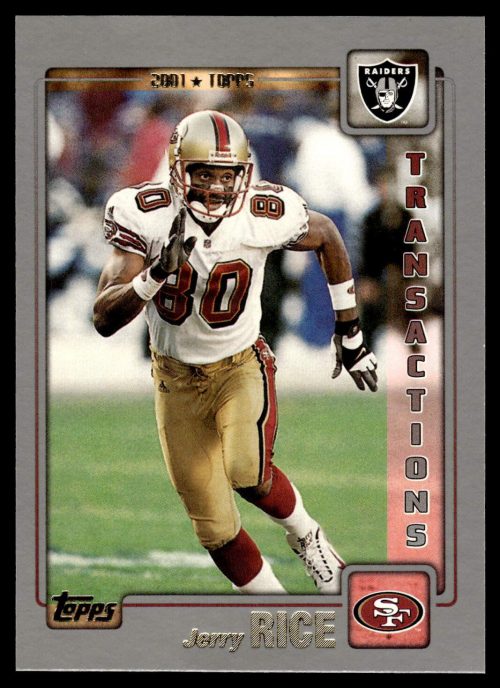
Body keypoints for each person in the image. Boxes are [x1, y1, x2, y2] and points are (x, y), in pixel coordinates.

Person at [93, 110, 378, 594]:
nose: (217, 187)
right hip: (174, 377)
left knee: (247, 470)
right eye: (204, 173)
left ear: (243, 173)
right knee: (214, 527)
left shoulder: (261, 211)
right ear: (178, 170)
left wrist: (349, 333)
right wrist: (154, 275)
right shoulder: (144, 212)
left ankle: (307, 535)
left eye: (227, 175)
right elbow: (103, 318)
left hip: (239, 365)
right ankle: (280, 611)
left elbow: (327, 235)